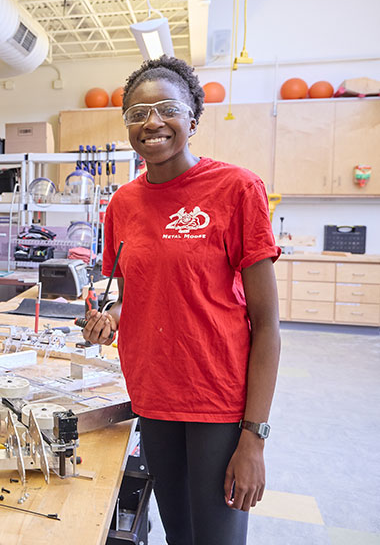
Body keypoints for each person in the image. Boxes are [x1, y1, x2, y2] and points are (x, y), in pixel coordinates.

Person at [82, 56, 280, 545]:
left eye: (167, 109)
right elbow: (130, 298)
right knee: (179, 536)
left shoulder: (236, 189)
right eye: (137, 113)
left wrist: (254, 437)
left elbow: (267, 325)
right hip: (153, 398)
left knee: (217, 539)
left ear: (192, 119)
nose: (152, 122)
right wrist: (110, 317)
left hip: (217, 401)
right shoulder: (122, 204)